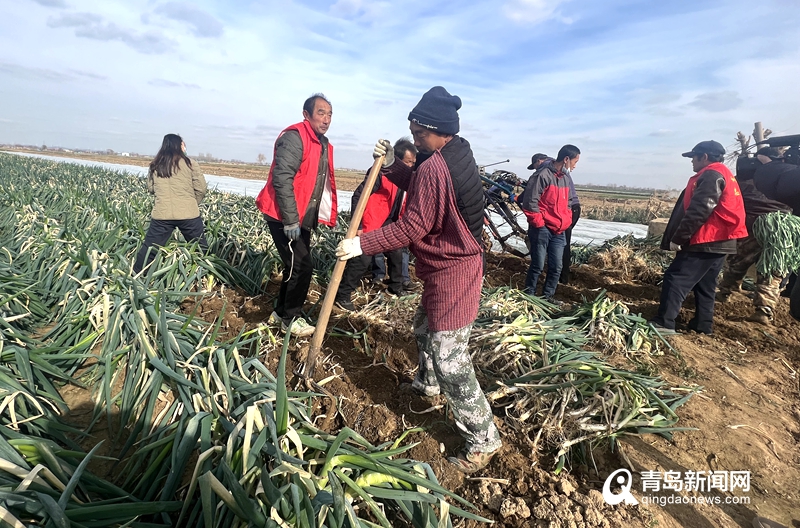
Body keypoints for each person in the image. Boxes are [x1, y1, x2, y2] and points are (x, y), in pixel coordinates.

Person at [335, 86, 502, 473]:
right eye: (411, 131)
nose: (414, 138)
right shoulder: (456, 152)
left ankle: (484, 439)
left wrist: (362, 243)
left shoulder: (436, 166)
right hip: (449, 265)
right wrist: (392, 165)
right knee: (424, 328)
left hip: (455, 271)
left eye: (419, 132)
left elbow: (412, 226)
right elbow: (425, 190)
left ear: (440, 131)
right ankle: (427, 386)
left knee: (450, 357)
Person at [255, 93, 337, 337]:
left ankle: (280, 313)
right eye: (321, 113)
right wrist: (290, 220)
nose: (326, 119)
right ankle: (290, 319)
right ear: (306, 114)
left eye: (330, 114)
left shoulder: (321, 143)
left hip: (301, 217)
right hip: (283, 216)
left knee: (294, 265)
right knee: (302, 266)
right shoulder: (295, 137)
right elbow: (282, 178)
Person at [649, 141, 747, 335]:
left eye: (694, 157)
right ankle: (703, 325)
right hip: (722, 240)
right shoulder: (724, 174)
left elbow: (700, 209)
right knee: (706, 284)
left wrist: (680, 237)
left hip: (706, 239)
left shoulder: (711, 175)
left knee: (676, 278)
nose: (691, 161)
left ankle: (664, 323)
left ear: (704, 157)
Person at [334, 138, 417, 311]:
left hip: (388, 220)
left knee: (396, 250)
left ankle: (395, 287)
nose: (410, 166)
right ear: (397, 159)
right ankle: (342, 296)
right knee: (362, 258)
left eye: (413, 163)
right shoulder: (380, 173)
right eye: (408, 162)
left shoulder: (406, 178)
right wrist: (357, 226)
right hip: (370, 221)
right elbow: (358, 196)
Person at [716, 148, 792, 324]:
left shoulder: (743, 183)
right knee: (772, 271)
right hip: (782, 229)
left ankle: (726, 292)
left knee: (737, 261)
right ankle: (764, 310)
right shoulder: (783, 179)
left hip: (754, 227)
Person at [133, 134, 208, 274]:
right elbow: (201, 189)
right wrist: (192, 203)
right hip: (189, 214)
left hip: (162, 214)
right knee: (201, 248)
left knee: (150, 249)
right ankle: (207, 275)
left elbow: (151, 188)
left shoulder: (155, 164)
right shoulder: (190, 163)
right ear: (179, 145)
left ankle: (137, 276)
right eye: (183, 144)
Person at [520, 145, 581, 301]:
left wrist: (566, 221)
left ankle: (548, 297)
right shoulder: (542, 175)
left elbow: (569, 202)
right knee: (538, 265)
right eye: (575, 162)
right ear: (566, 159)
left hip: (559, 230)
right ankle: (529, 295)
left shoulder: (565, 178)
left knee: (556, 267)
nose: (575, 166)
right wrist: (539, 224)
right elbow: (530, 202)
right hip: (543, 229)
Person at [559, 165, 581, 284]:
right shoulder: (557, 169)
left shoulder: (548, 169)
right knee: (563, 243)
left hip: (569, 209)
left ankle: (562, 278)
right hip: (572, 208)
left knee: (562, 243)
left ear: (539, 161)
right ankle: (561, 275)